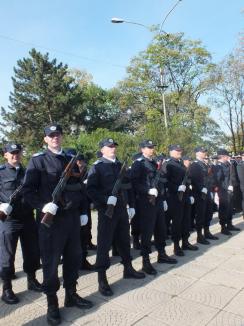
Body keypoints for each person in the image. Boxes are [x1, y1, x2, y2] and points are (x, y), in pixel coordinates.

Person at [23, 124, 93, 325]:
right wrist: (42, 206)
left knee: (74, 258)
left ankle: (71, 294)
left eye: (57, 135)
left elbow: (78, 188)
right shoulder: (37, 161)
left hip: (71, 219)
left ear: (62, 137)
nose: (55, 138)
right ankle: (52, 303)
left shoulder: (69, 160)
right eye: (51, 135)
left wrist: (81, 212)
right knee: (51, 263)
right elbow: (28, 190)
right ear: (45, 139)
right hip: (51, 221)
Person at [87, 138, 145, 297]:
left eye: (114, 146)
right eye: (109, 146)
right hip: (107, 212)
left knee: (125, 241)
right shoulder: (97, 167)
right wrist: (105, 200)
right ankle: (102, 279)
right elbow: (90, 190)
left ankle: (128, 268)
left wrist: (132, 205)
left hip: (121, 210)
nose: (113, 148)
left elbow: (128, 187)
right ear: (102, 149)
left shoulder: (120, 166)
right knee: (104, 246)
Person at [0, 143, 42, 304]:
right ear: (5, 155)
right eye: (12, 153)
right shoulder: (1, 173)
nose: (15, 155)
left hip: (28, 218)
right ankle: (7, 289)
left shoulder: (28, 172)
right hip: (9, 220)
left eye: (18, 152)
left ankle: (31, 280)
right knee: (7, 255)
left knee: (32, 251)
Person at [130, 140, 177, 275]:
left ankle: (161, 254)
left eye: (152, 147)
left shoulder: (154, 163)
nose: (152, 149)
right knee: (147, 232)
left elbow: (160, 182)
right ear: (142, 149)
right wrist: (147, 191)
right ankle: (146, 262)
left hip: (158, 202)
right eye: (149, 148)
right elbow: (134, 183)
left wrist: (163, 199)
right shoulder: (138, 164)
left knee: (161, 229)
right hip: (145, 203)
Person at [163, 145, 198, 257]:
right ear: (171, 151)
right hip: (175, 198)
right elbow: (164, 181)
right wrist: (176, 188)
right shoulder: (168, 164)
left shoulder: (181, 163)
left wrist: (190, 194)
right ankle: (176, 246)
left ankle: (185, 242)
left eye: (180, 150)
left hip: (185, 197)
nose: (179, 152)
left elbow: (187, 180)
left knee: (186, 220)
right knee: (177, 222)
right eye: (177, 150)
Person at [214, 149, 240, 234]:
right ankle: (223, 227)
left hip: (230, 189)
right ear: (222, 157)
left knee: (230, 208)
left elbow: (231, 176)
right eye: (226, 156)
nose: (228, 157)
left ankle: (229, 224)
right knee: (223, 209)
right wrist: (226, 187)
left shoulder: (228, 164)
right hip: (223, 190)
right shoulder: (218, 166)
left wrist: (231, 185)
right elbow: (218, 179)